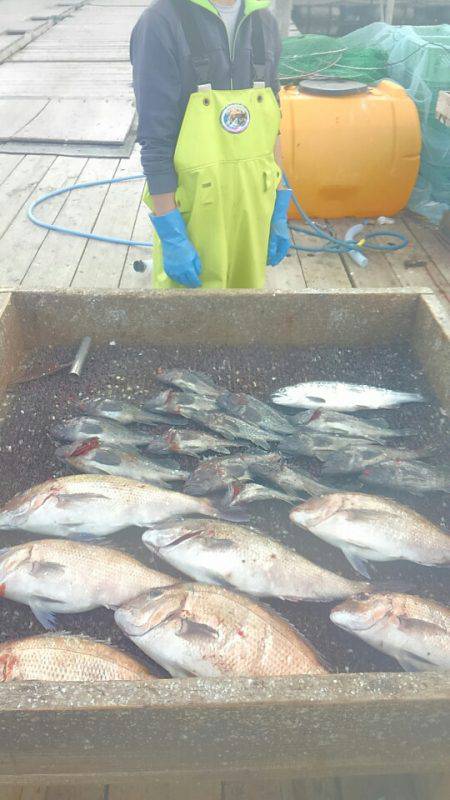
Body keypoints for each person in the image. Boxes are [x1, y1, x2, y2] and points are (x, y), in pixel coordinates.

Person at [130, 0, 293, 289]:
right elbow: (155, 139)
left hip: (254, 207)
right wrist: (170, 230)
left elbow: (272, 121)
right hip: (195, 212)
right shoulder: (160, 23)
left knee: (244, 317)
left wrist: (280, 200)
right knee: (188, 323)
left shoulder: (265, 24)